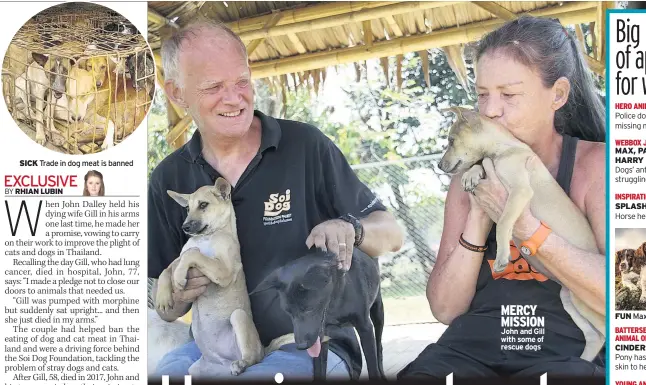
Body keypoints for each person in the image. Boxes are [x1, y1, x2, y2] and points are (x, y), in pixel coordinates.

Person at [147, 18, 403, 380]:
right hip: (216, 343)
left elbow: (392, 233)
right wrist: (181, 293)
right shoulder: (169, 178)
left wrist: (352, 229)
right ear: (176, 93)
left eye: (241, 81)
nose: (234, 98)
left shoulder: (304, 146)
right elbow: (166, 308)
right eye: (214, 86)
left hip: (308, 342)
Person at [398, 16, 606, 379]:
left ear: (557, 94)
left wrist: (526, 228)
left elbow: (632, 298)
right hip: (470, 351)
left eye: (509, 95)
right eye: (482, 95)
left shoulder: (599, 167)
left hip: (565, 353)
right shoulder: (469, 175)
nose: (491, 110)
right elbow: (446, 308)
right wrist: (480, 216)